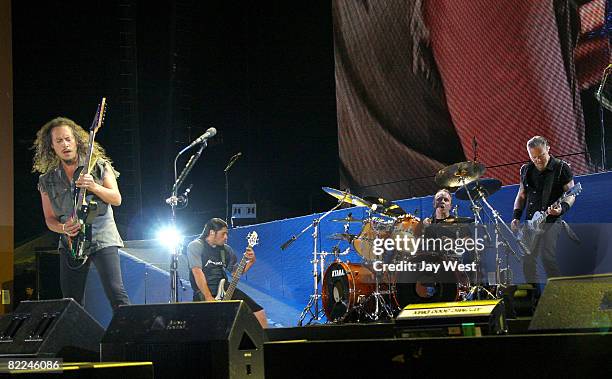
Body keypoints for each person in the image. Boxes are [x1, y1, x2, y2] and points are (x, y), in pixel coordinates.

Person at [33, 117, 130, 310]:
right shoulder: (47, 180)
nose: (65, 144)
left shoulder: (98, 166)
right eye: (59, 141)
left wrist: (94, 186)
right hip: (71, 242)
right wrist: (63, 228)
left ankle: (129, 339)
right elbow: (50, 219)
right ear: (51, 146)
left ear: (77, 140)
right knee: (71, 302)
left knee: (116, 292)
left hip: (103, 237)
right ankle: (76, 341)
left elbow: (116, 199)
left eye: (68, 139)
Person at [511, 136, 576, 286]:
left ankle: (558, 293)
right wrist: (516, 216)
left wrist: (561, 209)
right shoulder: (525, 169)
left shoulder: (561, 167)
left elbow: (571, 194)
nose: (538, 160)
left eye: (541, 155)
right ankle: (532, 298)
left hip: (551, 221)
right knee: (527, 261)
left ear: (548, 148)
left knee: (547, 258)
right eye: (534, 157)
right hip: (530, 222)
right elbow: (521, 194)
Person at [188, 218, 268, 328]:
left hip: (225, 288)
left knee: (259, 313)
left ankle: (263, 344)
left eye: (227, 234)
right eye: (223, 234)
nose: (226, 237)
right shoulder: (196, 246)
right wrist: (208, 297)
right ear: (212, 232)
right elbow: (197, 272)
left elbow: (236, 273)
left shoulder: (226, 250)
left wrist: (251, 261)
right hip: (204, 291)